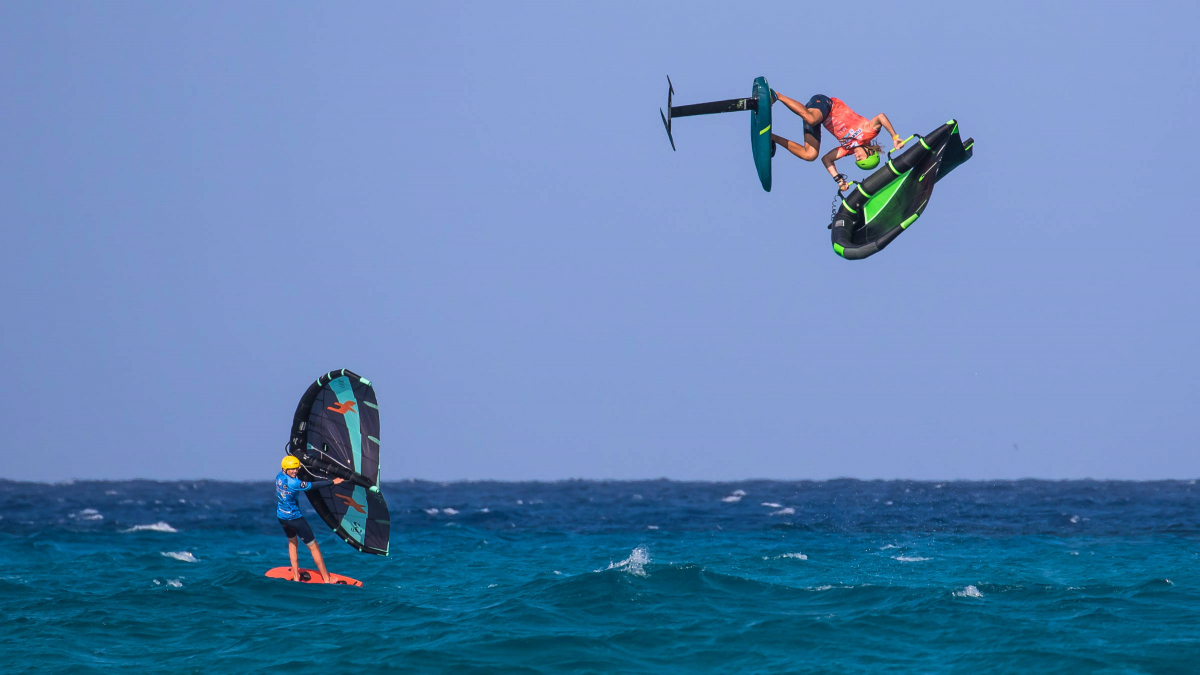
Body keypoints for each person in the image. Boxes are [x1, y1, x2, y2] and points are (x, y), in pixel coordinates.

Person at [769, 92, 906, 192]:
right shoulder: (869, 133)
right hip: (827, 105)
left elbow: (827, 159)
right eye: (860, 158)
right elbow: (881, 117)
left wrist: (839, 180)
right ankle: (775, 95)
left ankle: (772, 137)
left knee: (810, 155)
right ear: (870, 152)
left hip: (819, 119)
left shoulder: (848, 149)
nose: (856, 157)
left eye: (857, 160)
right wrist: (894, 137)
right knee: (811, 119)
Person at [276, 456, 344, 583]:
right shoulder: (294, 483)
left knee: (292, 543)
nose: (295, 471)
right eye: (292, 469)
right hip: (295, 519)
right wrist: (332, 482)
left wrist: (297, 463)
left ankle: (296, 577)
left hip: (282, 517)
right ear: (285, 469)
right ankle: (327, 579)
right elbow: (313, 486)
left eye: (296, 469)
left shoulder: (279, 477)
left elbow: (292, 468)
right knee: (314, 547)